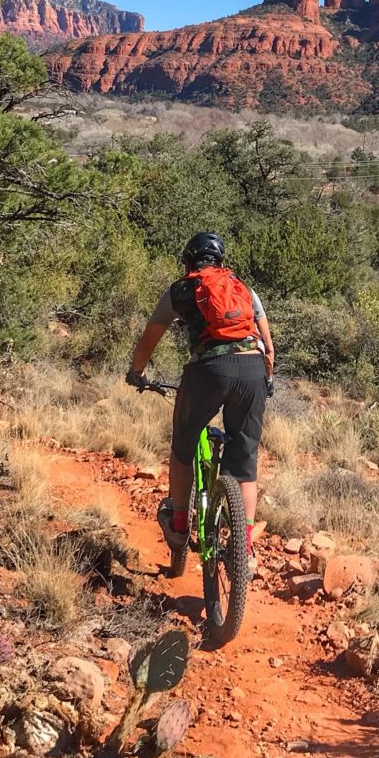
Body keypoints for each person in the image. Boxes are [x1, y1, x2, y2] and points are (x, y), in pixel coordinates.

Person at [125, 231, 274, 570]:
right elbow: (268, 343)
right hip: (252, 369)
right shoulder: (244, 289)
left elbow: (151, 337)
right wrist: (266, 380)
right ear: (221, 262)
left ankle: (179, 526)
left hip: (207, 371)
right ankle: (245, 549)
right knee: (245, 457)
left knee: (183, 445)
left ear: (188, 261)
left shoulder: (181, 289)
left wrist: (137, 372)